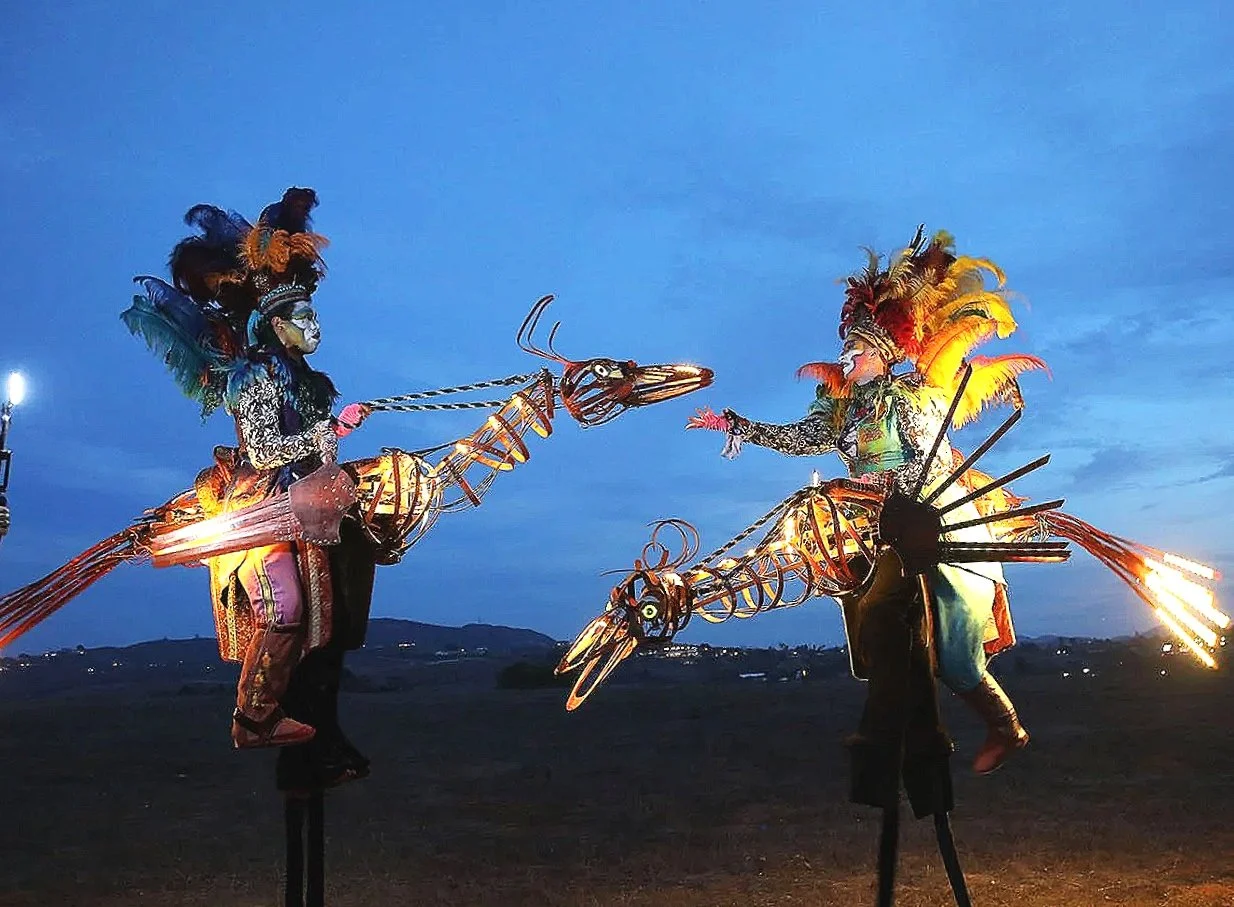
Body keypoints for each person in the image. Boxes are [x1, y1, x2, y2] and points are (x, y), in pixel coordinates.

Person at [689, 226, 1046, 781]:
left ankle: (1004, 726)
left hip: (931, 526)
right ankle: (897, 725)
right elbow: (800, 439)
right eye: (843, 350)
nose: (845, 358)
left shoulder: (911, 397)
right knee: (868, 616)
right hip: (877, 526)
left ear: (880, 354)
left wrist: (883, 494)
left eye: (853, 351)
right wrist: (734, 424)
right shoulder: (840, 409)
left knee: (951, 656)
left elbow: (926, 460)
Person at [124, 188, 374, 754]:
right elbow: (265, 451)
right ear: (275, 325)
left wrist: (336, 431)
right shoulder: (255, 377)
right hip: (259, 507)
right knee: (283, 607)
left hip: (300, 508)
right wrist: (326, 433)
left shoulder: (303, 381)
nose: (314, 327)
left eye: (314, 315)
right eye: (303, 318)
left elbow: (311, 452)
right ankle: (254, 716)